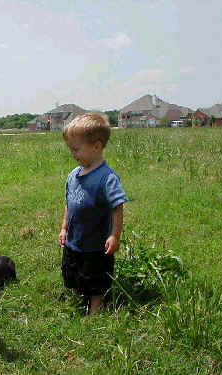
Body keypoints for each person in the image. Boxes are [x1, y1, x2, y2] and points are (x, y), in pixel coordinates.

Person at [58, 113, 128, 314]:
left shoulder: (107, 178)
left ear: (97, 147)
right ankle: (77, 297)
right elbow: (69, 204)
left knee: (96, 276)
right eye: (70, 149)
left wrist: (114, 235)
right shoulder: (73, 175)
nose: (72, 153)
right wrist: (64, 228)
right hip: (74, 240)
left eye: (76, 149)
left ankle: (96, 307)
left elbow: (117, 207)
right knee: (72, 271)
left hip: (96, 244)